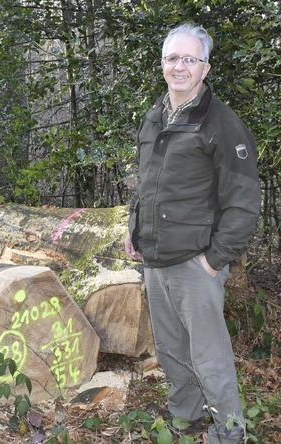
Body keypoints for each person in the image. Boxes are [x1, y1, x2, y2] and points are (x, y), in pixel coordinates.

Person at [125, 23, 260, 443]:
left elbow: (243, 201)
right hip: (155, 257)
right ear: (162, 64)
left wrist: (215, 259)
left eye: (189, 59)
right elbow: (148, 182)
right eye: (171, 58)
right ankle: (186, 410)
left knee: (210, 356)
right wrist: (135, 228)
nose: (179, 66)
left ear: (205, 68)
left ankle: (229, 432)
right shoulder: (155, 115)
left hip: (195, 262)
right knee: (169, 348)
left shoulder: (221, 123)